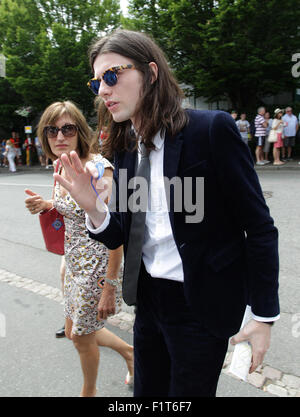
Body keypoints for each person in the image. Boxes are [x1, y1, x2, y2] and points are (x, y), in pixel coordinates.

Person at [54, 30, 280, 397]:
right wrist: (92, 206)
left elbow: (259, 228)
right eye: (97, 82)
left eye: (112, 75)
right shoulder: (125, 148)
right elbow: (123, 234)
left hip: (201, 304)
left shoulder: (208, 131)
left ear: (151, 73)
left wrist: (263, 314)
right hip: (149, 301)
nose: (103, 90)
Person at [24, 100, 134, 397]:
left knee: (81, 338)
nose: (59, 136)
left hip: (96, 270)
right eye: (51, 130)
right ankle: (130, 354)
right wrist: (47, 204)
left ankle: (89, 393)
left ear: (80, 131)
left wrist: (110, 285)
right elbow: (72, 208)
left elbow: (116, 232)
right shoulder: (61, 164)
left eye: (67, 128)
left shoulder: (99, 169)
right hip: (73, 265)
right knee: (75, 332)